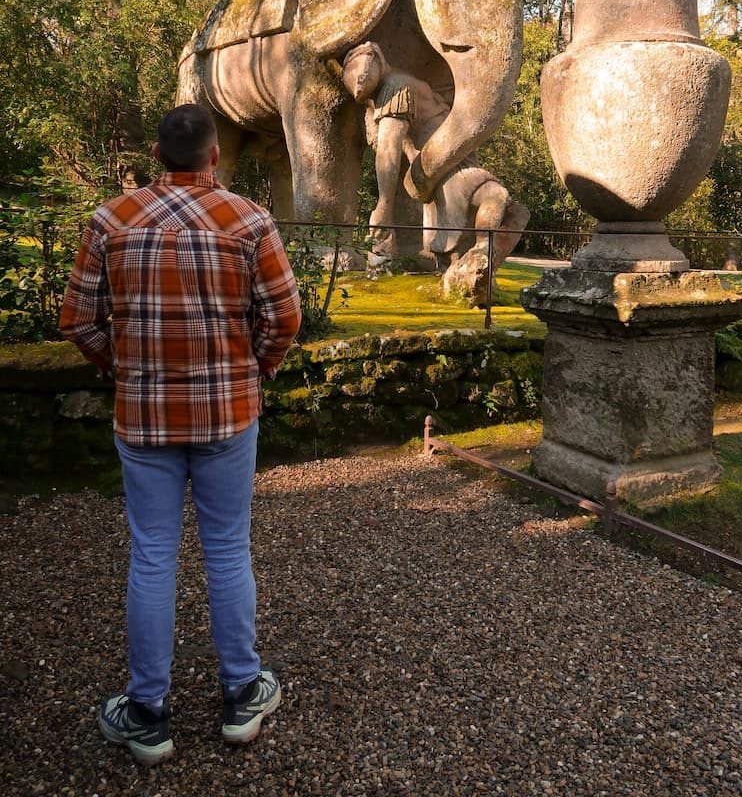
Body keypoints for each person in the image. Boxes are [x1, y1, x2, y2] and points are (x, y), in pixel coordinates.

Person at [59, 103, 302, 766]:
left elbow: (76, 318)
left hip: (143, 417)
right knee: (227, 547)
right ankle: (241, 695)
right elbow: (285, 316)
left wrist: (119, 363)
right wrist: (254, 369)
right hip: (227, 414)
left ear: (158, 155)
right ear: (213, 154)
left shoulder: (111, 219)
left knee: (152, 554)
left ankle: (147, 714)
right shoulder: (250, 221)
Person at [341, 43, 528, 280]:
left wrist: (384, 204)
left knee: (504, 204)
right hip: (436, 170)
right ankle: (475, 257)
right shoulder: (395, 86)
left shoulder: (398, 85)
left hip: (447, 163)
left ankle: (479, 254)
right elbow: (388, 149)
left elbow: (389, 149)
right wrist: (384, 204)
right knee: (495, 198)